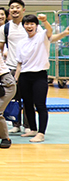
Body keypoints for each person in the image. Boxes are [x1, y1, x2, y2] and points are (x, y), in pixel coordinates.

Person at [15, 14, 69, 143]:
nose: (29, 26)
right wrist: (15, 79)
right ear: (23, 26)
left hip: (39, 75)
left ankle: (41, 132)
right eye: (27, 24)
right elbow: (19, 63)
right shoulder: (21, 43)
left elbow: (50, 32)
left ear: (36, 25)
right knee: (27, 104)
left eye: (32, 23)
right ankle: (33, 129)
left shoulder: (42, 36)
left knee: (40, 104)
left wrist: (45, 21)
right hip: (24, 75)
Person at [0, 0, 27, 133]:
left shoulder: (30, 25)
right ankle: (16, 124)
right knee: (12, 97)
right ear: (9, 11)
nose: (15, 10)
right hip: (10, 66)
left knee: (27, 97)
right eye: (12, 8)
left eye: (17, 7)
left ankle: (28, 125)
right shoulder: (5, 27)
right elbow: (0, 47)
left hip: (27, 67)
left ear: (23, 9)